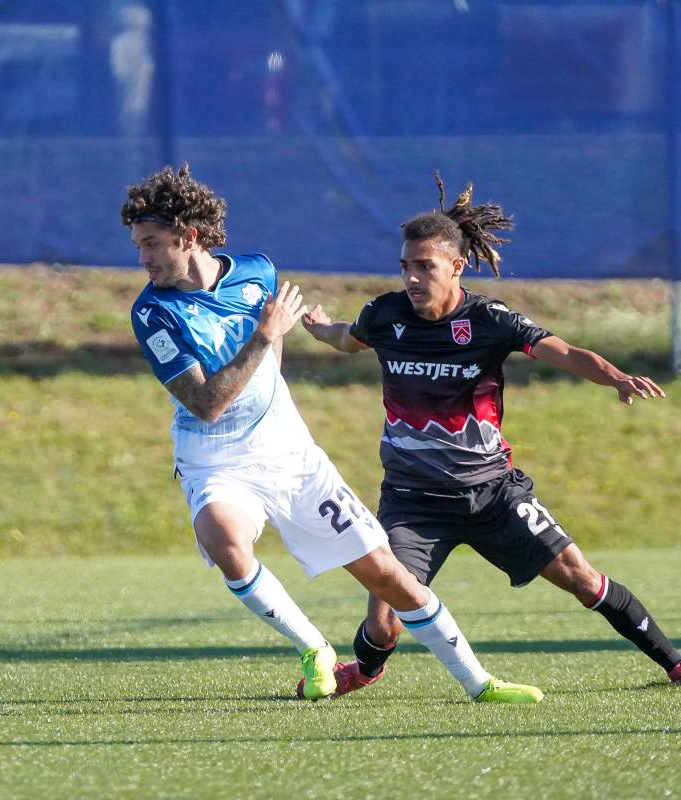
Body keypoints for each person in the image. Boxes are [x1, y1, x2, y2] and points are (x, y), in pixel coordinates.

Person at [300, 173, 681, 697]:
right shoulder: (385, 314)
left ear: (456, 267)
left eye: (424, 267)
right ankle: (366, 668)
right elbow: (346, 339)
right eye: (406, 267)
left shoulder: (489, 320)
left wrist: (614, 376)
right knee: (385, 620)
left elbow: (565, 352)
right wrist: (319, 326)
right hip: (413, 503)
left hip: (493, 493)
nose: (412, 278)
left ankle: (676, 664)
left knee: (581, 577)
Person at [122, 164, 543, 703]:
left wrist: (270, 370)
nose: (143, 259)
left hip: (290, 453)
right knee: (224, 540)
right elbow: (205, 404)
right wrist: (265, 337)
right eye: (139, 245)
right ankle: (314, 648)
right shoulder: (153, 312)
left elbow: (269, 358)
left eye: (152, 243)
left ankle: (480, 683)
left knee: (386, 576)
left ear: (190, 236)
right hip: (215, 459)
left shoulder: (256, 271)